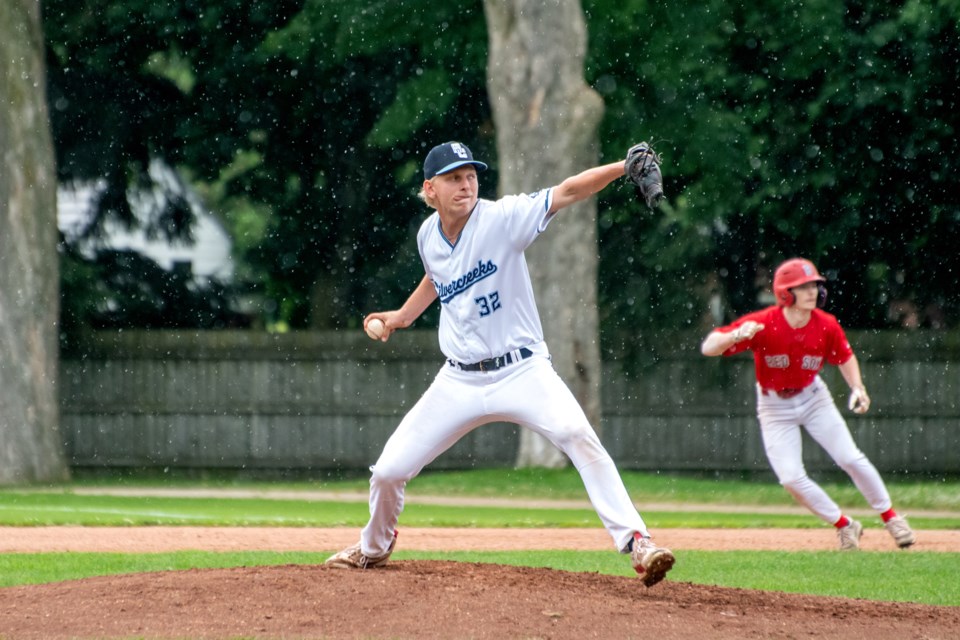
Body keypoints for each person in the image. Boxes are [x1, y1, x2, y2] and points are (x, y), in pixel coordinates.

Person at [325, 141, 676, 587]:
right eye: (454, 178)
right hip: (459, 379)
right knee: (390, 471)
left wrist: (622, 168)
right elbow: (438, 276)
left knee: (576, 435)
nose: (466, 184)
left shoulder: (502, 218)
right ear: (430, 189)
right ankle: (373, 549)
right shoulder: (427, 235)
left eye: (470, 175)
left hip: (522, 370)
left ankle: (637, 542)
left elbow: (566, 192)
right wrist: (402, 317)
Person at [700, 257, 916, 551]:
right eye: (802, 287)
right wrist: (735, 335)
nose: (812, 291)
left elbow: (844, 357)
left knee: (849, 458)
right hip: (774, 406)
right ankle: (845, 525)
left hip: (813, 397)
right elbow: (709, 347)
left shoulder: (825, 325)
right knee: (790, 478)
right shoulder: (765, 323)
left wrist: (858, 387)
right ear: (785, 294)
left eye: (814, 284)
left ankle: (892, 518)